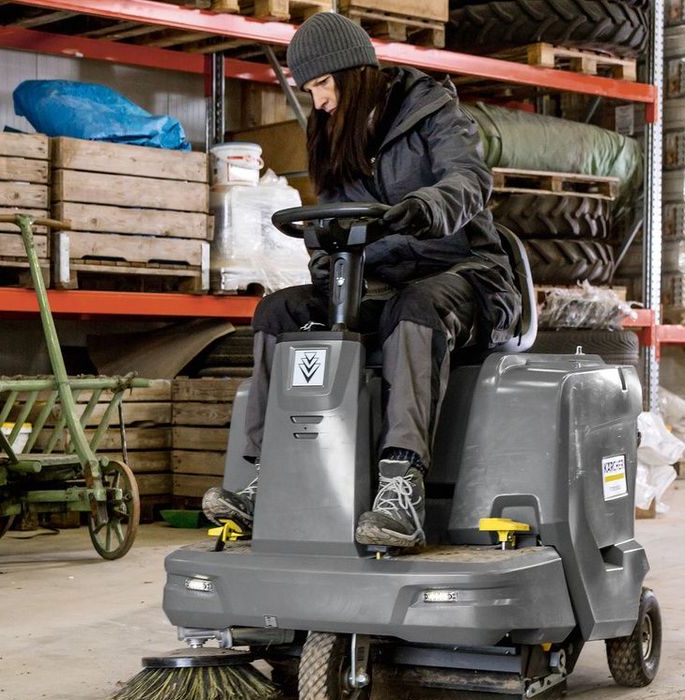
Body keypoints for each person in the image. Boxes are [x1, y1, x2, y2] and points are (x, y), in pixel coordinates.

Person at [202, 12, 520, 549]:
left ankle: (402, 489)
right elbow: (333, 219)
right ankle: (267, 479)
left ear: (356, 73)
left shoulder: (433, 112)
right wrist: (328, 267)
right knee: (279, 312)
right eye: (309, 89)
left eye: (323, 84)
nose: (318, 100)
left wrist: (423, 209)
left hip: (465, 274)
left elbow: (469, 181)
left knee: (415, 308)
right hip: (381, 280)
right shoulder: (333, 131)